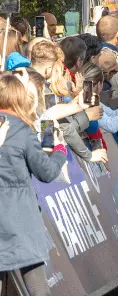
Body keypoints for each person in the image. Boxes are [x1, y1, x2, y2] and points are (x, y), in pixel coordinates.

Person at [0, 72, 70, 296]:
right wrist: (59, 151)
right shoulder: (21, 130)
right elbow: (47, 173)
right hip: (19, 217)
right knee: (37, 285)